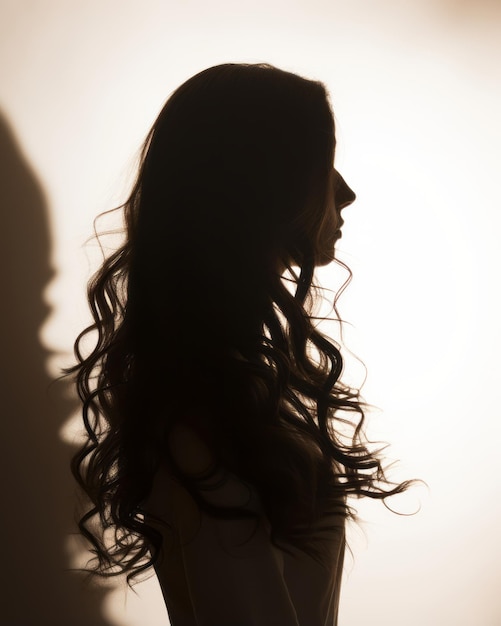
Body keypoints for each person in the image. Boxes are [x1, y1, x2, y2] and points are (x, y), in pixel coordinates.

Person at [66, 63, 413, 625]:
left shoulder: (221, 388)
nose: (345, 192)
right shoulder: (203, 412)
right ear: (261, 186)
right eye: (321, 166)